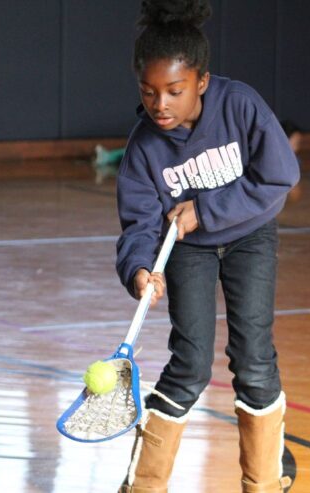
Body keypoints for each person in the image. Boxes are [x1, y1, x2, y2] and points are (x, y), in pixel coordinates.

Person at [114, 1, 299, 492]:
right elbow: (138, 224)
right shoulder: (143, 148)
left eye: (174, 91)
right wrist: (138, 268)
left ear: (201, 81)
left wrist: (205, 210)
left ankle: (265, 480)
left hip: (250, 237)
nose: (160, 105)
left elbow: (281, 175)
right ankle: (142, 485)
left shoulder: (240, 104)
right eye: (148, 92)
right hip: (187, 251)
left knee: (254, 357)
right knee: (190, 362)